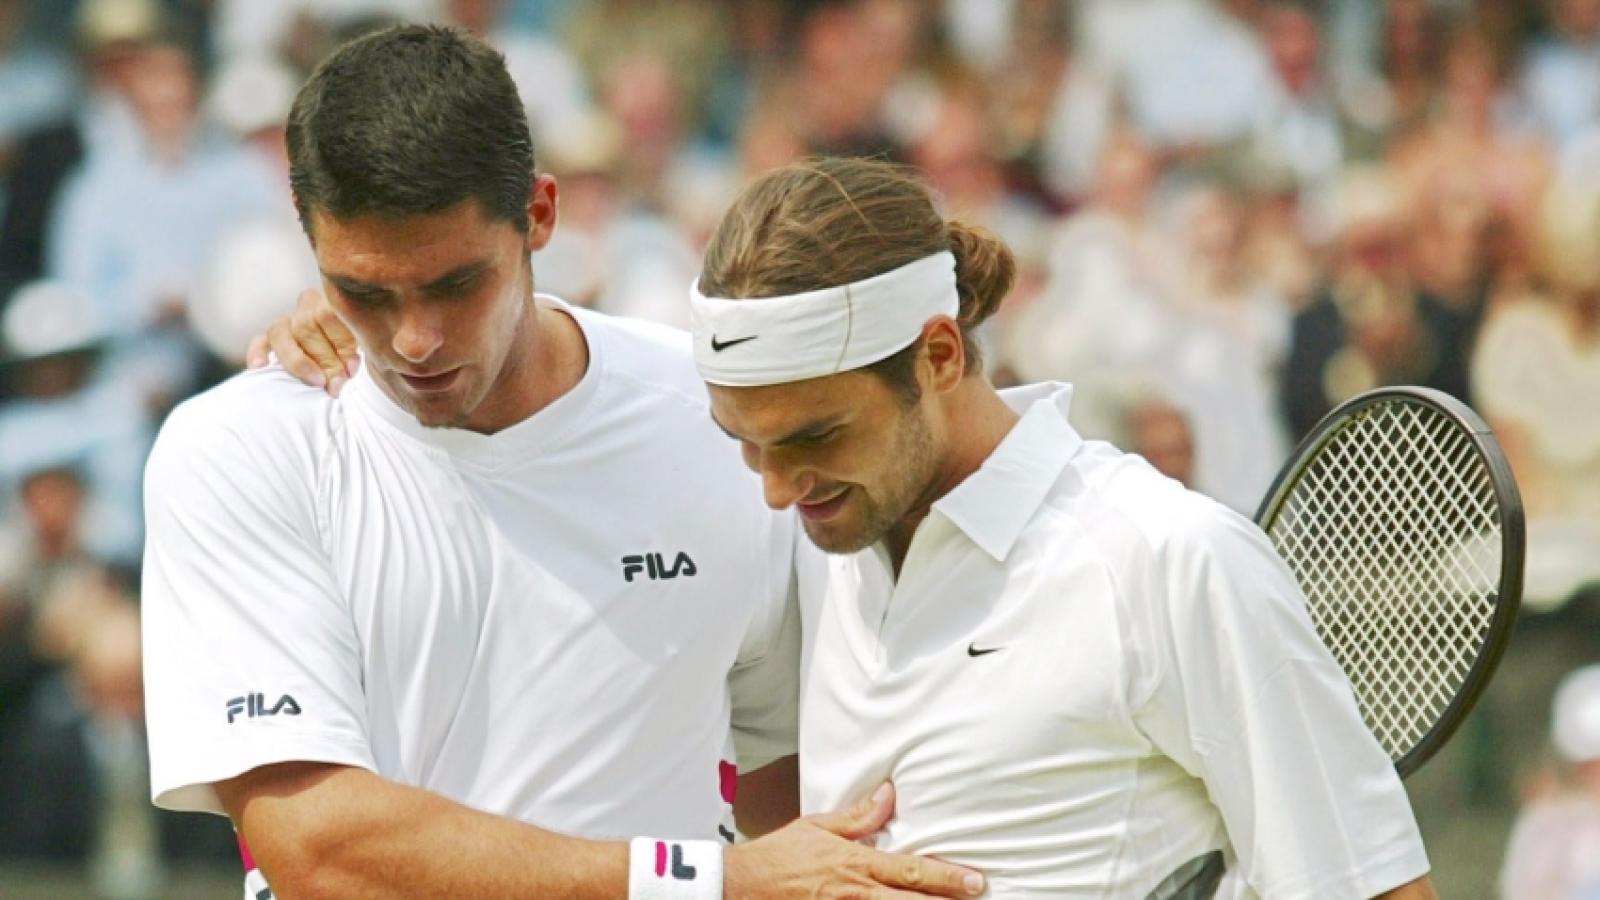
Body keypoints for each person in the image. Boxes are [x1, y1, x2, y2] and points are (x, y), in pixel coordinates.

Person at [271, 155, 1441, 897]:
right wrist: (338, 332)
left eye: (812, 439)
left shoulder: (1166, 558)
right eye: (744, 442)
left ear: (939, 356)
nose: (774, 489)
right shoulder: (812, 546)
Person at [144, 26, 983, 900]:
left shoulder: (718, 424)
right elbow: (318, 851)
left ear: (541, 214)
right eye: (364, 293)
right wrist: (712, 883)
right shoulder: (238, 449)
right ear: (310, 245)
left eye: (455, 284)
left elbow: (788, 779)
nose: (414, 340)